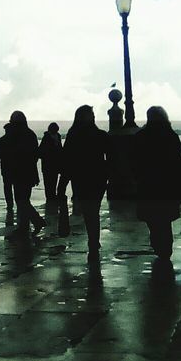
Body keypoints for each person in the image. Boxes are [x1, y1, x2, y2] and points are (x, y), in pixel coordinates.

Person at [132, 106, 181, 261]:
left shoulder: (141, 136)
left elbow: (134, 160)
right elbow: (178, 161)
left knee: (152, 218)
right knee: (165, 219)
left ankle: (157, 244)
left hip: (147, 183)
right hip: (167, 183)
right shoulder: (170, 135)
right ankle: (166, 247)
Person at [61, 105, 110, 255]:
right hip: (98, 178)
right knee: (93, 210)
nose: (94, 116)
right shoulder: (100, 135)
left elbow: (67, 159)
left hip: (80, 178)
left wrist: (62, 183)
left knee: (89, 211)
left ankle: (93, 241)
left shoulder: (73, 134)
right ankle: (94, 241)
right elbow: (110, 156)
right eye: (92, 114)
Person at [0, 112, 45, 234]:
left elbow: (2, 151)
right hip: (28, 172)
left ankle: (33, 221)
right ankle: (26, 225)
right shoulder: (30, 134)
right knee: (24, 199)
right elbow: (35, 155)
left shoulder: (12, 136)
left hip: (16, 172)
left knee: (21, 200)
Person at [38, 122, 63, 202]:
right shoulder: (49, 137)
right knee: (50, 183)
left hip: (51, 164)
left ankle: (51, 199)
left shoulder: (55, 137)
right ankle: (50, 198)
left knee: (51, 183)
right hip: (49, 164)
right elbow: (41, 152)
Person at [0, 122, 15, 212]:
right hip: (16, 167)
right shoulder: (17, 140)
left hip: (6, 166)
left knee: (7, 186)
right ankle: (18, 203)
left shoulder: (1, 140)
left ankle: (9, 204)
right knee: (17, 186)